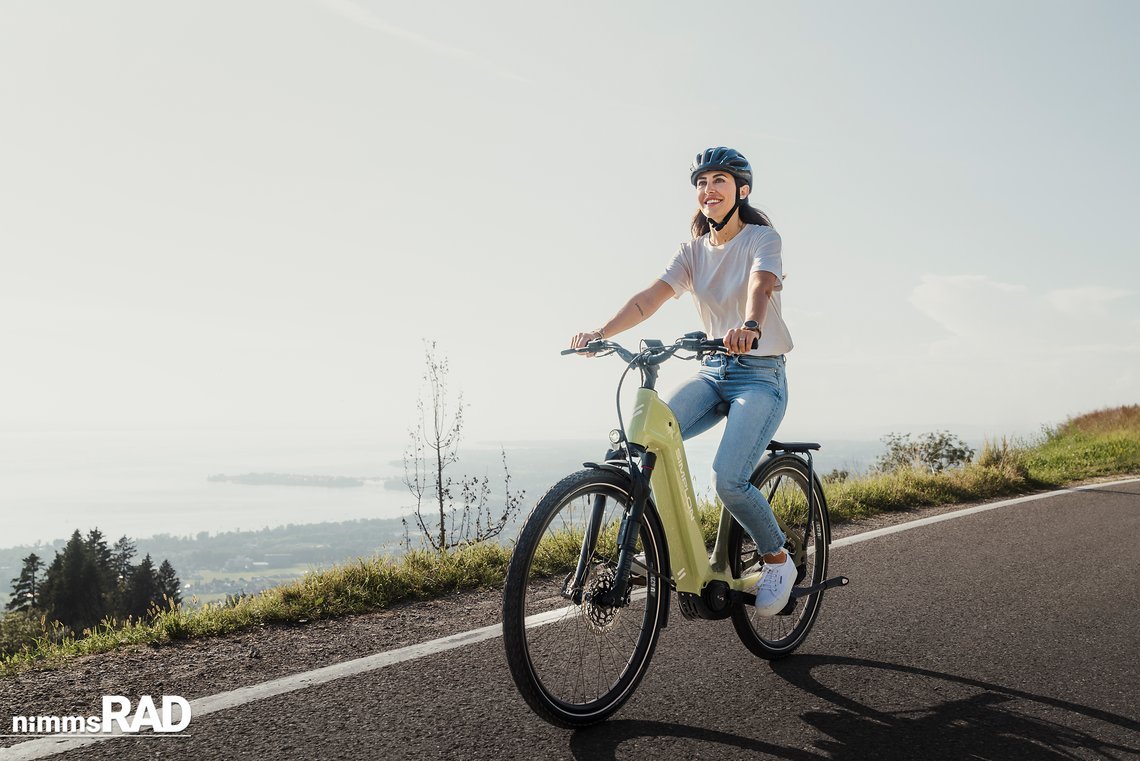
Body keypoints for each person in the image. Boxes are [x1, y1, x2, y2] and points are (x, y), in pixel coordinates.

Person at [570, 146, 796, 615]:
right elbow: (649, 298)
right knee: (645, 442)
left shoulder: (762, 239)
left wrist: (750, 327)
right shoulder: (692, 252)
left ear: (742, 190)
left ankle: (778, 559)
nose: (708, 190)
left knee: (729, 480)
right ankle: (658, 550)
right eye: (701, 183)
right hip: (713, 372)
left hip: (759, 376)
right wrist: (600, 333)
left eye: (719, 181)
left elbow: (760, 285)